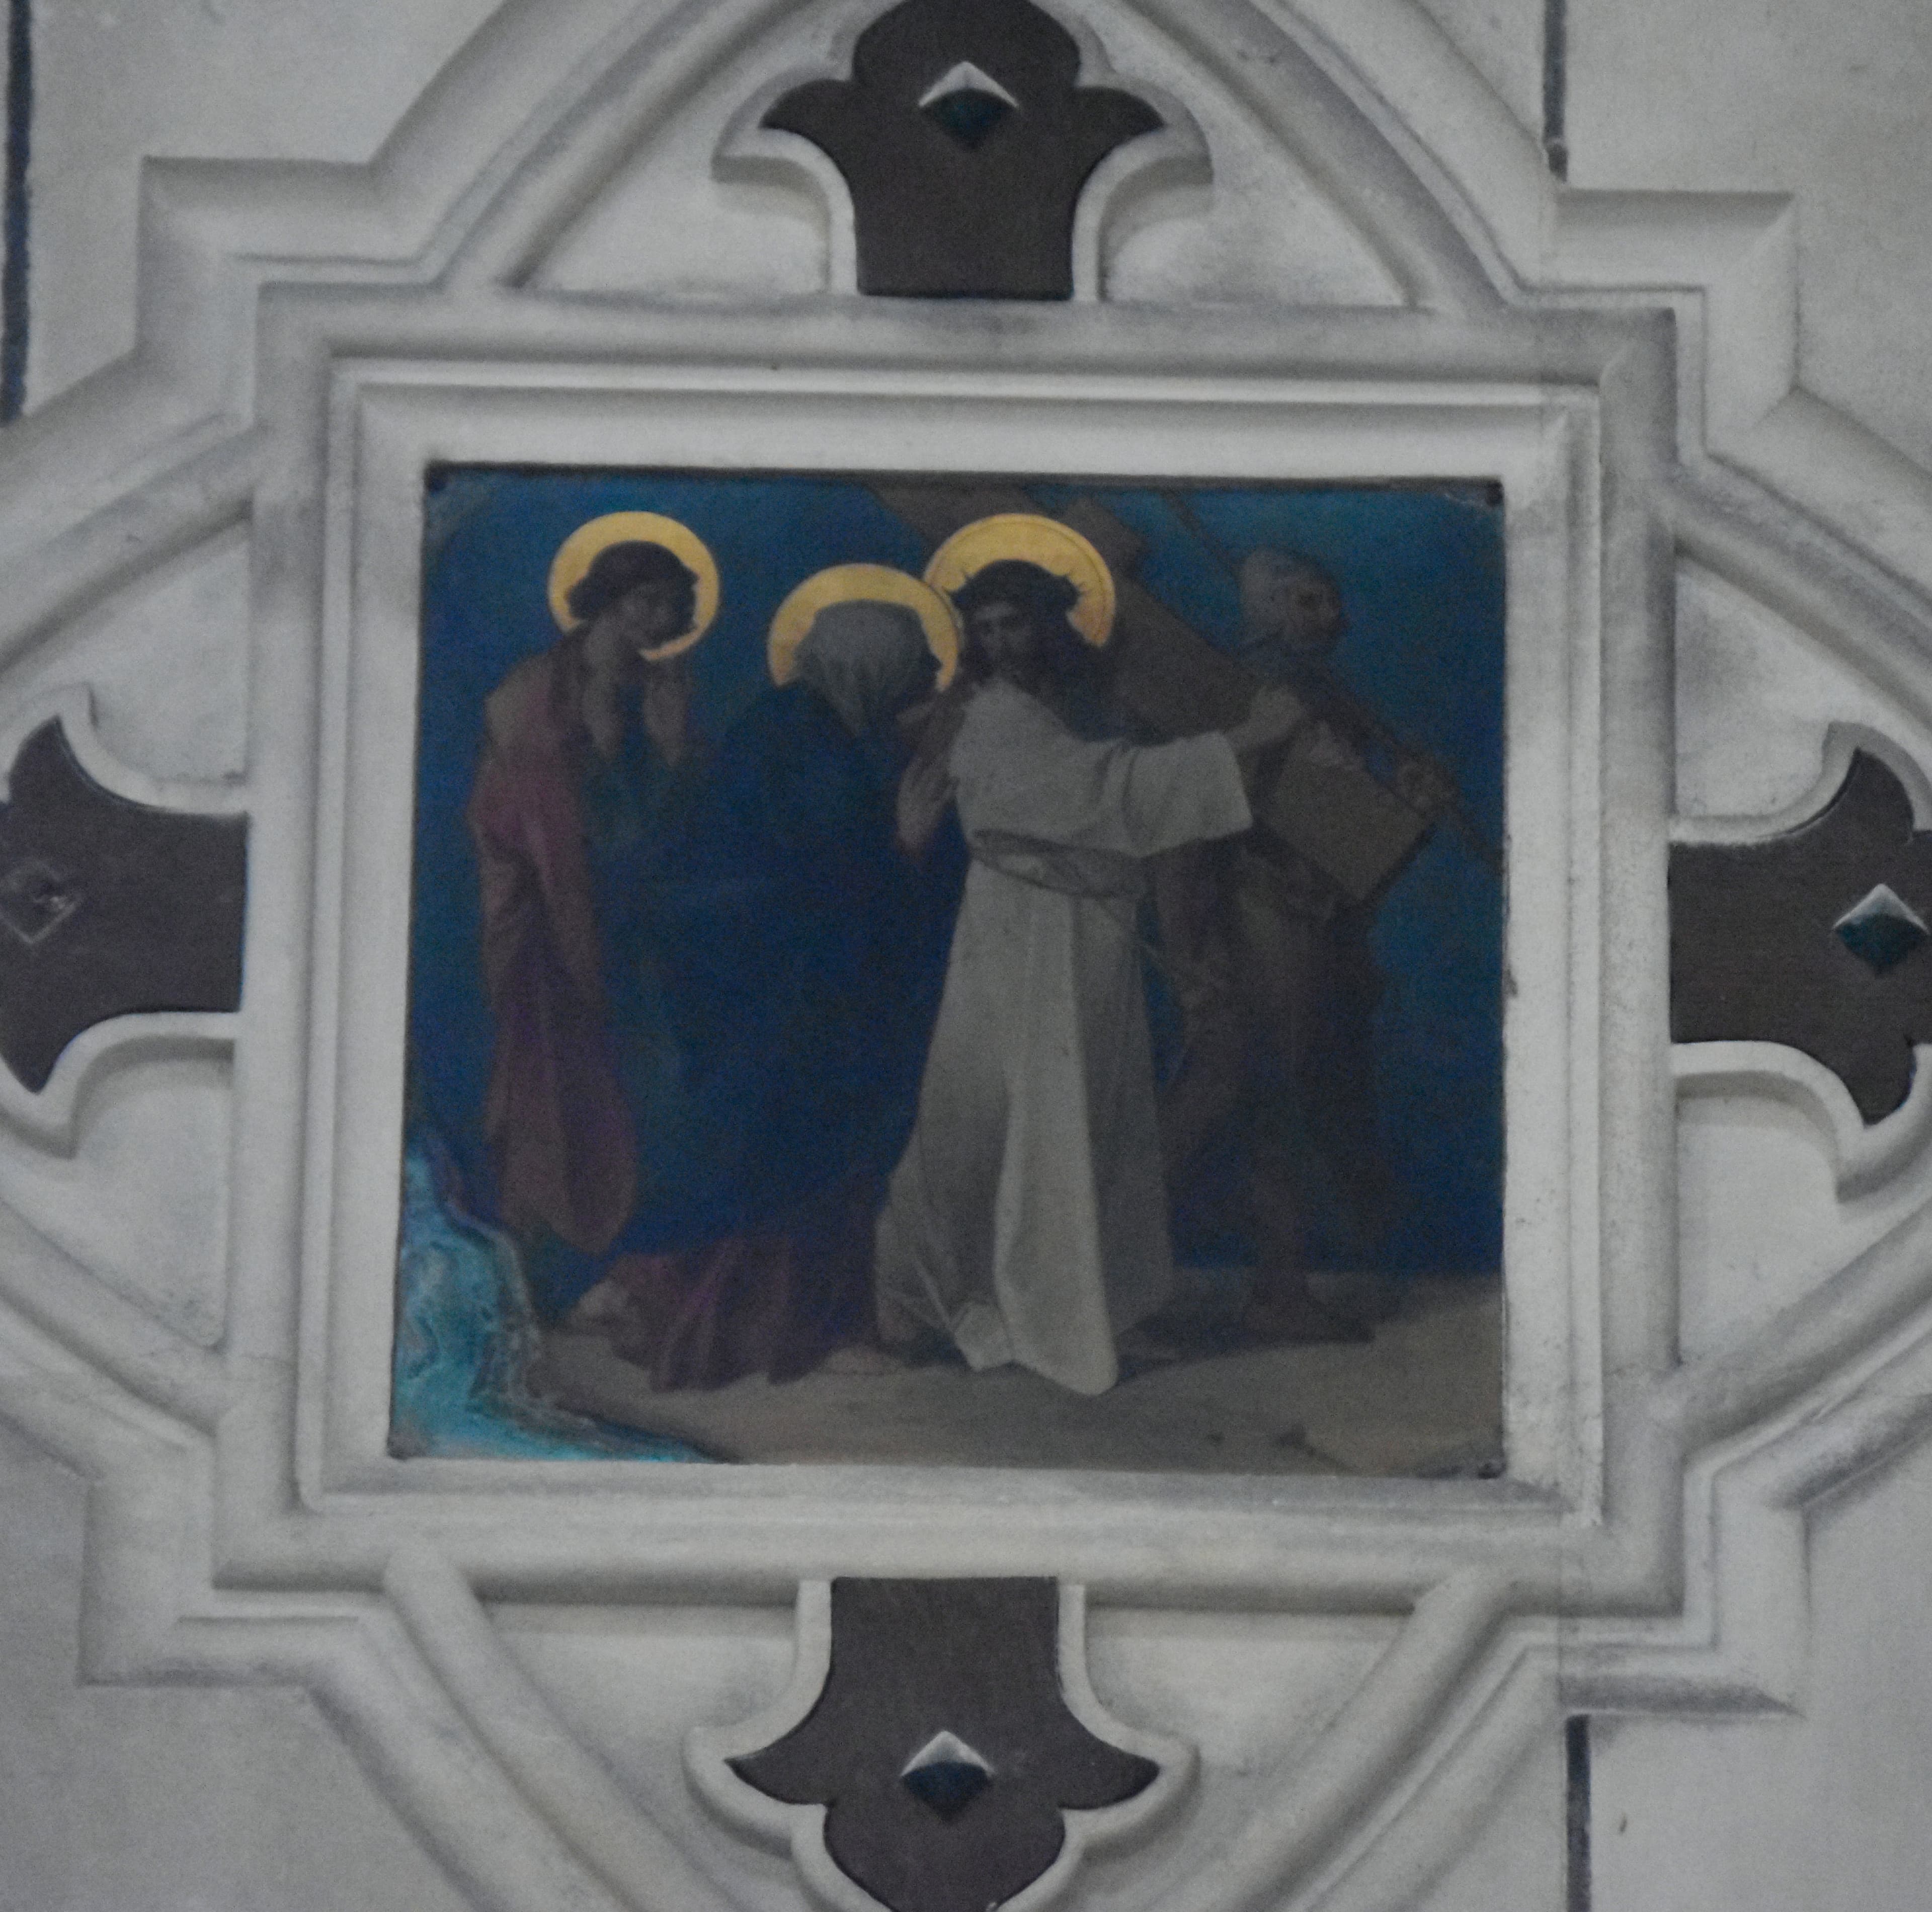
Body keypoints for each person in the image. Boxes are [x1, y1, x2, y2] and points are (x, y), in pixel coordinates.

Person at [874, 535, 1309, 1395]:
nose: (1001, 643)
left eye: (1015, 624)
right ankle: (1026, 1309)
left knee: (1099, 1109)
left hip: (1078, 929)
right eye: (985, 629)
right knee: (1035, 1112)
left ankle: (1102, 1304)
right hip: (1022, 936)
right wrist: (1248, 739)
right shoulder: (993, 714)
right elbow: (1104, 790)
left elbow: (1105, 786)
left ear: (1048, 625)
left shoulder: (1061, 702)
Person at [578, 585, 968, 1389]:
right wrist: (906, 847)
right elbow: (831, 892)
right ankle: (800, 1335)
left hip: (773, 990)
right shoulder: (813, 753)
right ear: (871, 666)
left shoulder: (797, 727)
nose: (929, 677)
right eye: (914, 666)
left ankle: (652, 1293)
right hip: (787, 998)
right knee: (802, 1165)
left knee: (766, 1162)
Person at [1152, 548, 1452, 1341]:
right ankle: (1101, 1284)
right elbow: (1183, 837)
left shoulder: (1326, 705)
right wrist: (1189, 956)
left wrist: (1412, 817)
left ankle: (1275, 1290)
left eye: (1332, 603)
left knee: (1278, 1105)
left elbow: (1352, 859)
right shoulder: (1237, 699)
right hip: (1253, 923)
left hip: (1309, 932)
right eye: (1312, 603)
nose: (1337, 621)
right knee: (1223, 1099)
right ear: (1272, 609)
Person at [466, 530, 705, 1302]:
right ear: (607, 601)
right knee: (552, 1097)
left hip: (634, 931)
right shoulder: (532, 695)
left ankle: (626, 1273)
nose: (659, 618)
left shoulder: (664, 692)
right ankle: (549, 1279)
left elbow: (677, 828)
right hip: (550, 931)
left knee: (643, 1094)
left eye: (671, 603)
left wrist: (674, 754)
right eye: (645, 600)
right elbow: (531, 824)